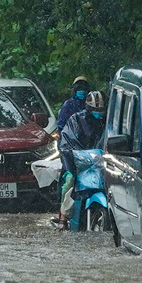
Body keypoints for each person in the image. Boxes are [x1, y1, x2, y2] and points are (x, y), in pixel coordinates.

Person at [52, 90, 108, 229]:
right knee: (69, 181)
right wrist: (72, 154)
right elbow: (66, 142)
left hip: (100, 163)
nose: (98, 113)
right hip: (78, 163)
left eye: (101, 110)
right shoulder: (76, 120)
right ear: (88, 108)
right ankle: (63, 218)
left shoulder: (108, 121)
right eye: (95, 110)